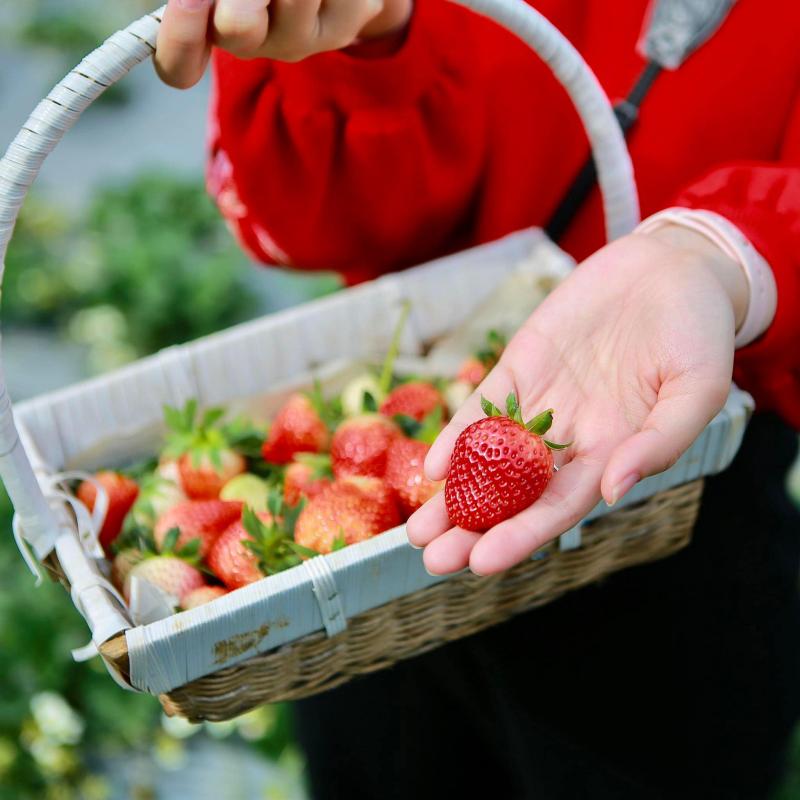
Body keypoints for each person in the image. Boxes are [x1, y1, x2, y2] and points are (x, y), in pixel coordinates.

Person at [154, 0, 800, 796]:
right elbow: (309, 215)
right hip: (376, 569)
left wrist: (726, 256)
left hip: (682, 496)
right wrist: (367, 44)